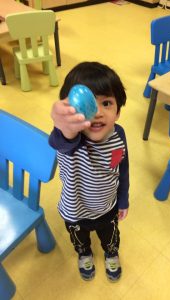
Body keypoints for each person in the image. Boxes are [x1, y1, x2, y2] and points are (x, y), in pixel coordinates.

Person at [49, 62, 129, 282]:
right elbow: (60, 141)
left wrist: (123, 200)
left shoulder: (118, 135)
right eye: (87, 105)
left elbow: (122, 168)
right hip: (76, 211)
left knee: (111, 238)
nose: (97, 113)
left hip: (108, 207)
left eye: (106, 103)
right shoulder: (71, 139)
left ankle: (111, 253)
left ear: (118, 111)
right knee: (80, 241)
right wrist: (65, 126)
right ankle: (84, 254)